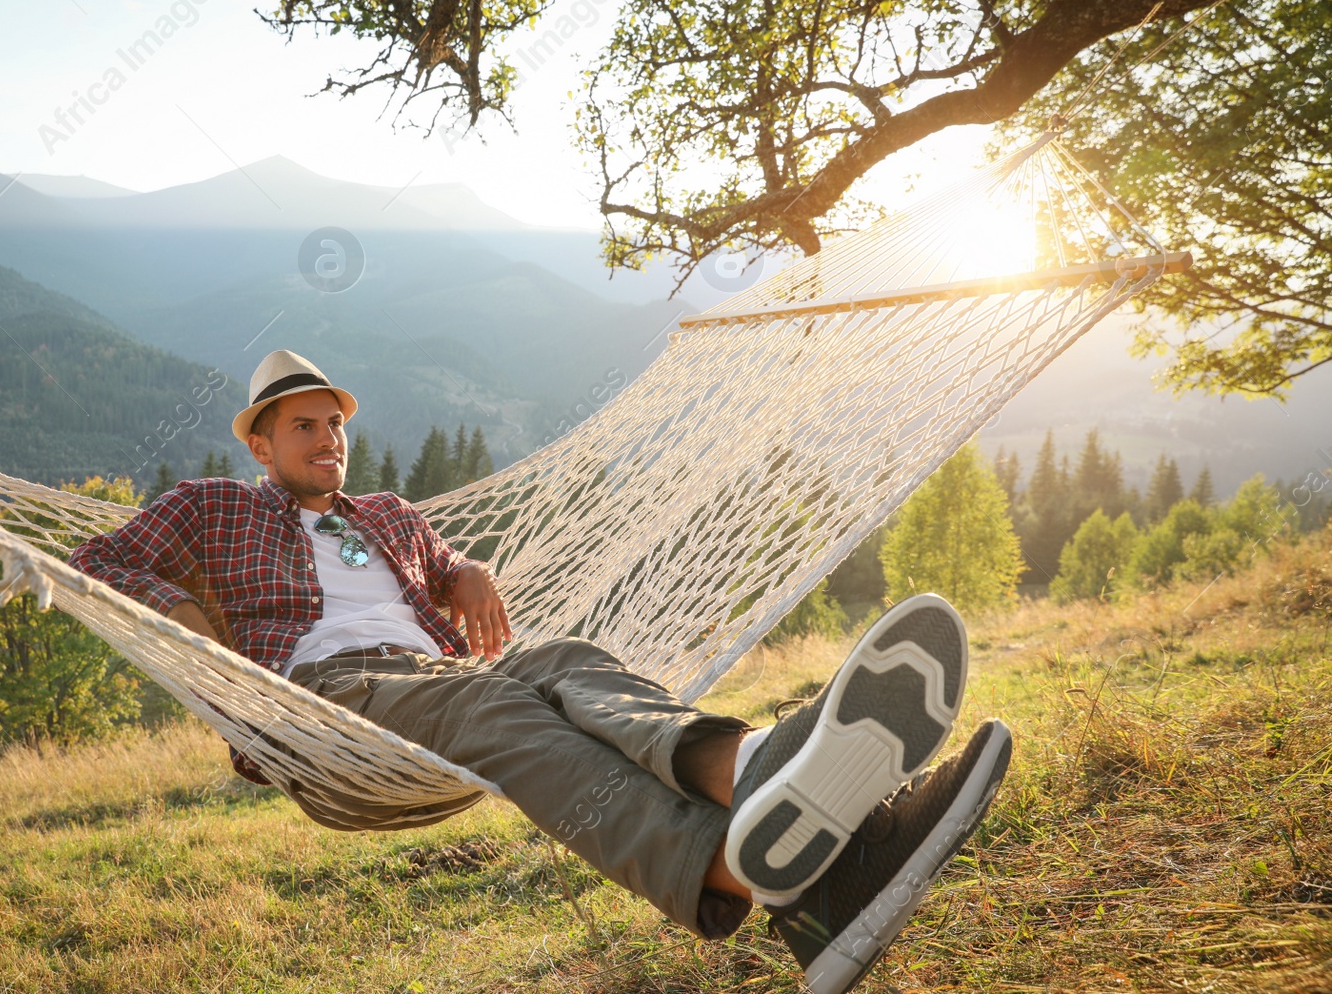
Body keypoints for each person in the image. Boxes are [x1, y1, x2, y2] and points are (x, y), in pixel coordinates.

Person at [68, 349, 1013, 993]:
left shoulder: (388, 513)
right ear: (261, 442)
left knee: (565, 661)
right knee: (500, 704)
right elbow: (99, 562)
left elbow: (443, 571)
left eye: (336, 426)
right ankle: (743, 863)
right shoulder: (211, 506)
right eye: (305, 428)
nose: (328, 442)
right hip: (326, 699)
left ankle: (760, 783)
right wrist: (187, 619)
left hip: (429, 672)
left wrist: (468, 570)